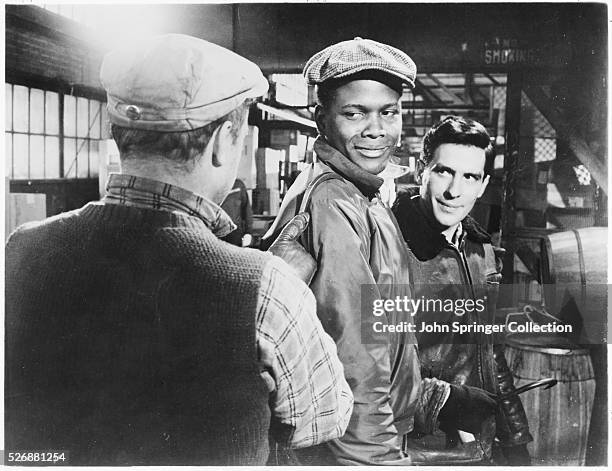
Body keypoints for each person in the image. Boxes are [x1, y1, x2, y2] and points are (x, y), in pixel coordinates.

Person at [5, 34, 353, 466]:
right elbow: (321, 419)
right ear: (225, 140)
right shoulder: (267, 285)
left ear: (118, 134)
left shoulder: (20, 249)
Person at [263, 38, 497, 465]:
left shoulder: (364, 196)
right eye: (354, 113)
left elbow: (386, 335)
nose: (376, 130)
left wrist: (428, 399)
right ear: (321, 119)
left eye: (388, 112)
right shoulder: (334, 203)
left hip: (379, 429)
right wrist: (378, 460)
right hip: (356, 446)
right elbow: (357, 360)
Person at [393, 116, 533, 464]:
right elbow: (366, 365)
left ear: (483, 184)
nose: (455, 191)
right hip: (417, 449)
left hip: (477, 447)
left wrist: (514, 435)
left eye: (469, 177)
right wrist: (444, 400)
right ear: (421, 169)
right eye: (444, 171)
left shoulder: (480, 249)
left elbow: (489, 348)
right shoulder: (389, 242)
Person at [221, 178, 254, 246]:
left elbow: (246, 209)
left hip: (235, 232)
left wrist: (248, 232)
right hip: (216, 232)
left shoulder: (238, 184)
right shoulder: (212, 184)